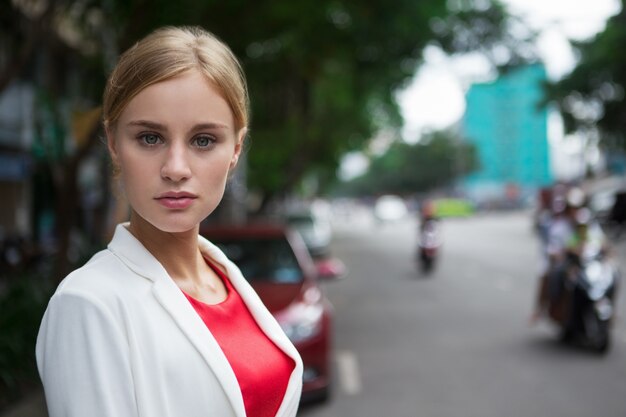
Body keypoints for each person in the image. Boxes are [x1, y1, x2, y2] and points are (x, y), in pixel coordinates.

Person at [36, 26, 303, 417]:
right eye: (149, 138)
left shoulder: (225, 278)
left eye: (203, 141)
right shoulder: (88, 303)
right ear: (113, 143)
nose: (176, 169)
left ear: (236, 149)